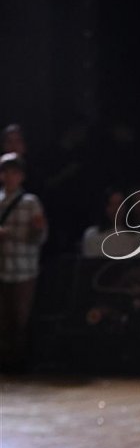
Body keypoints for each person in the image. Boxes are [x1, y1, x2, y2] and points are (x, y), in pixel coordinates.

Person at [0, 153, 48, 371]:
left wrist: (33, 230)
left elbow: (40, 236)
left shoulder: (30, 202)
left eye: (14, 172)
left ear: (21, 176)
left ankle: (19, 363)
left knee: (20, 319)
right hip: (2, 267)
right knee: (3, 319)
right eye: (5, 172)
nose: (9, 176)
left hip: (23, 269)